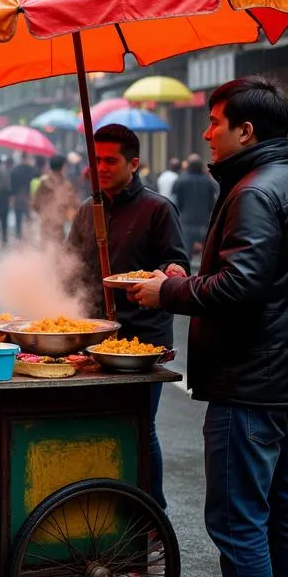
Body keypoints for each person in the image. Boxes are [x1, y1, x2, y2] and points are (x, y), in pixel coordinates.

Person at [130, 77, 288, 577]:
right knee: (283, 511)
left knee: (239, 520)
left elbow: (241, 287)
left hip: (254, 381)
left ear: (246, 130)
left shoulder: (253, 192)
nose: (209, 132)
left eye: (216, 122)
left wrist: (166, 291)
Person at [67, 124, 189, 510]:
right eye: (95, 160)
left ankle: (152, 514)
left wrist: (171, 274)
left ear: (133, 164)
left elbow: (177, 262)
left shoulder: (157, 209)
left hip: (142, 339)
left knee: (139, 427)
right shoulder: (89, 209)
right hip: (95, 336)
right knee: (99, 425)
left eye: (110, 160)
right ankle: (109, 505)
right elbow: (70, 267)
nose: (100, 167)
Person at [173, 154, 218, 256]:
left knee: (186, 252)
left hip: (186, 220)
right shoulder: (208, 181)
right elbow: (212, 201)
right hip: (204, 220)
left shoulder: (181, 180)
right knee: (206, 253)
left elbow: (178, 202)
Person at [32, 153, 78, 244]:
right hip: (59, 223)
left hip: (45, 221)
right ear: (62, 167)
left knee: (46, 247)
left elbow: (35, 204)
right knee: (58, 248)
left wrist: (44, 212)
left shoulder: (44, 182)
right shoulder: (66, 185)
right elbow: (74, 203)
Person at [9, 153, 37, 240]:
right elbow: (35, 179)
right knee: (28, 216)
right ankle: (28, 234)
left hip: (17, 196)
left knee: (18, 217)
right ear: (26, 158)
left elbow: (12, 184)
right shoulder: (31, 169)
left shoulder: (15, 170)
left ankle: (18, 235)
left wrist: (12, 197)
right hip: (27, 196)